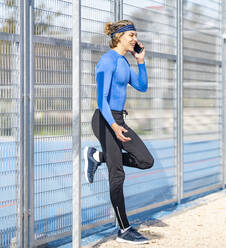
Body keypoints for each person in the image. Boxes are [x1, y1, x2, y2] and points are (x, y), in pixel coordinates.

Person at [83, 20, 154, 244]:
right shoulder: (107, 61)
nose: (135, 39)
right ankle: (124, 229)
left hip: (118, 119)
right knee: (117, 173)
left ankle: (97, 157)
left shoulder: (124, 62)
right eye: (131, 35)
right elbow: (101, 100)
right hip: (105, 120)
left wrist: (140, 62)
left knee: (145, 160)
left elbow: (142, 86)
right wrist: (113, 126)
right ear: (119, 36)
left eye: (135, 35)